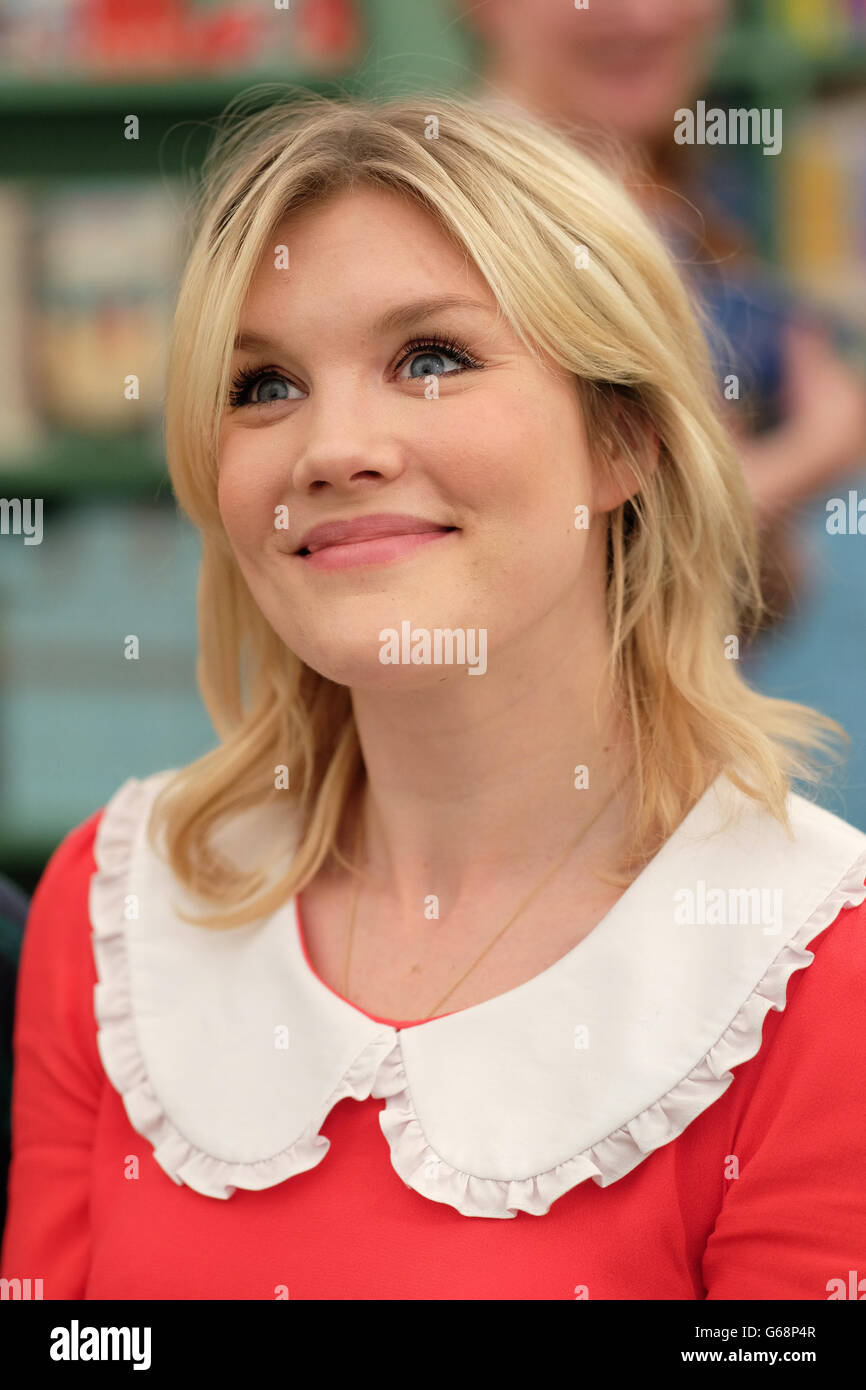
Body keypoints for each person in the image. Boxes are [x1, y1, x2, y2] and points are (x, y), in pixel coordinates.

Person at [2, 92, 866, 1300]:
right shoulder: (115, 904)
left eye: (431, 359)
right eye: (262, 385)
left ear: (622, 441)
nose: (332, 445)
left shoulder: (818, 967)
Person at [458, 0, 866, 629]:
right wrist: (808, 457)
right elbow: (543, 563)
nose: (646, 17)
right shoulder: (464, 227)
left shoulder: (679, 188)